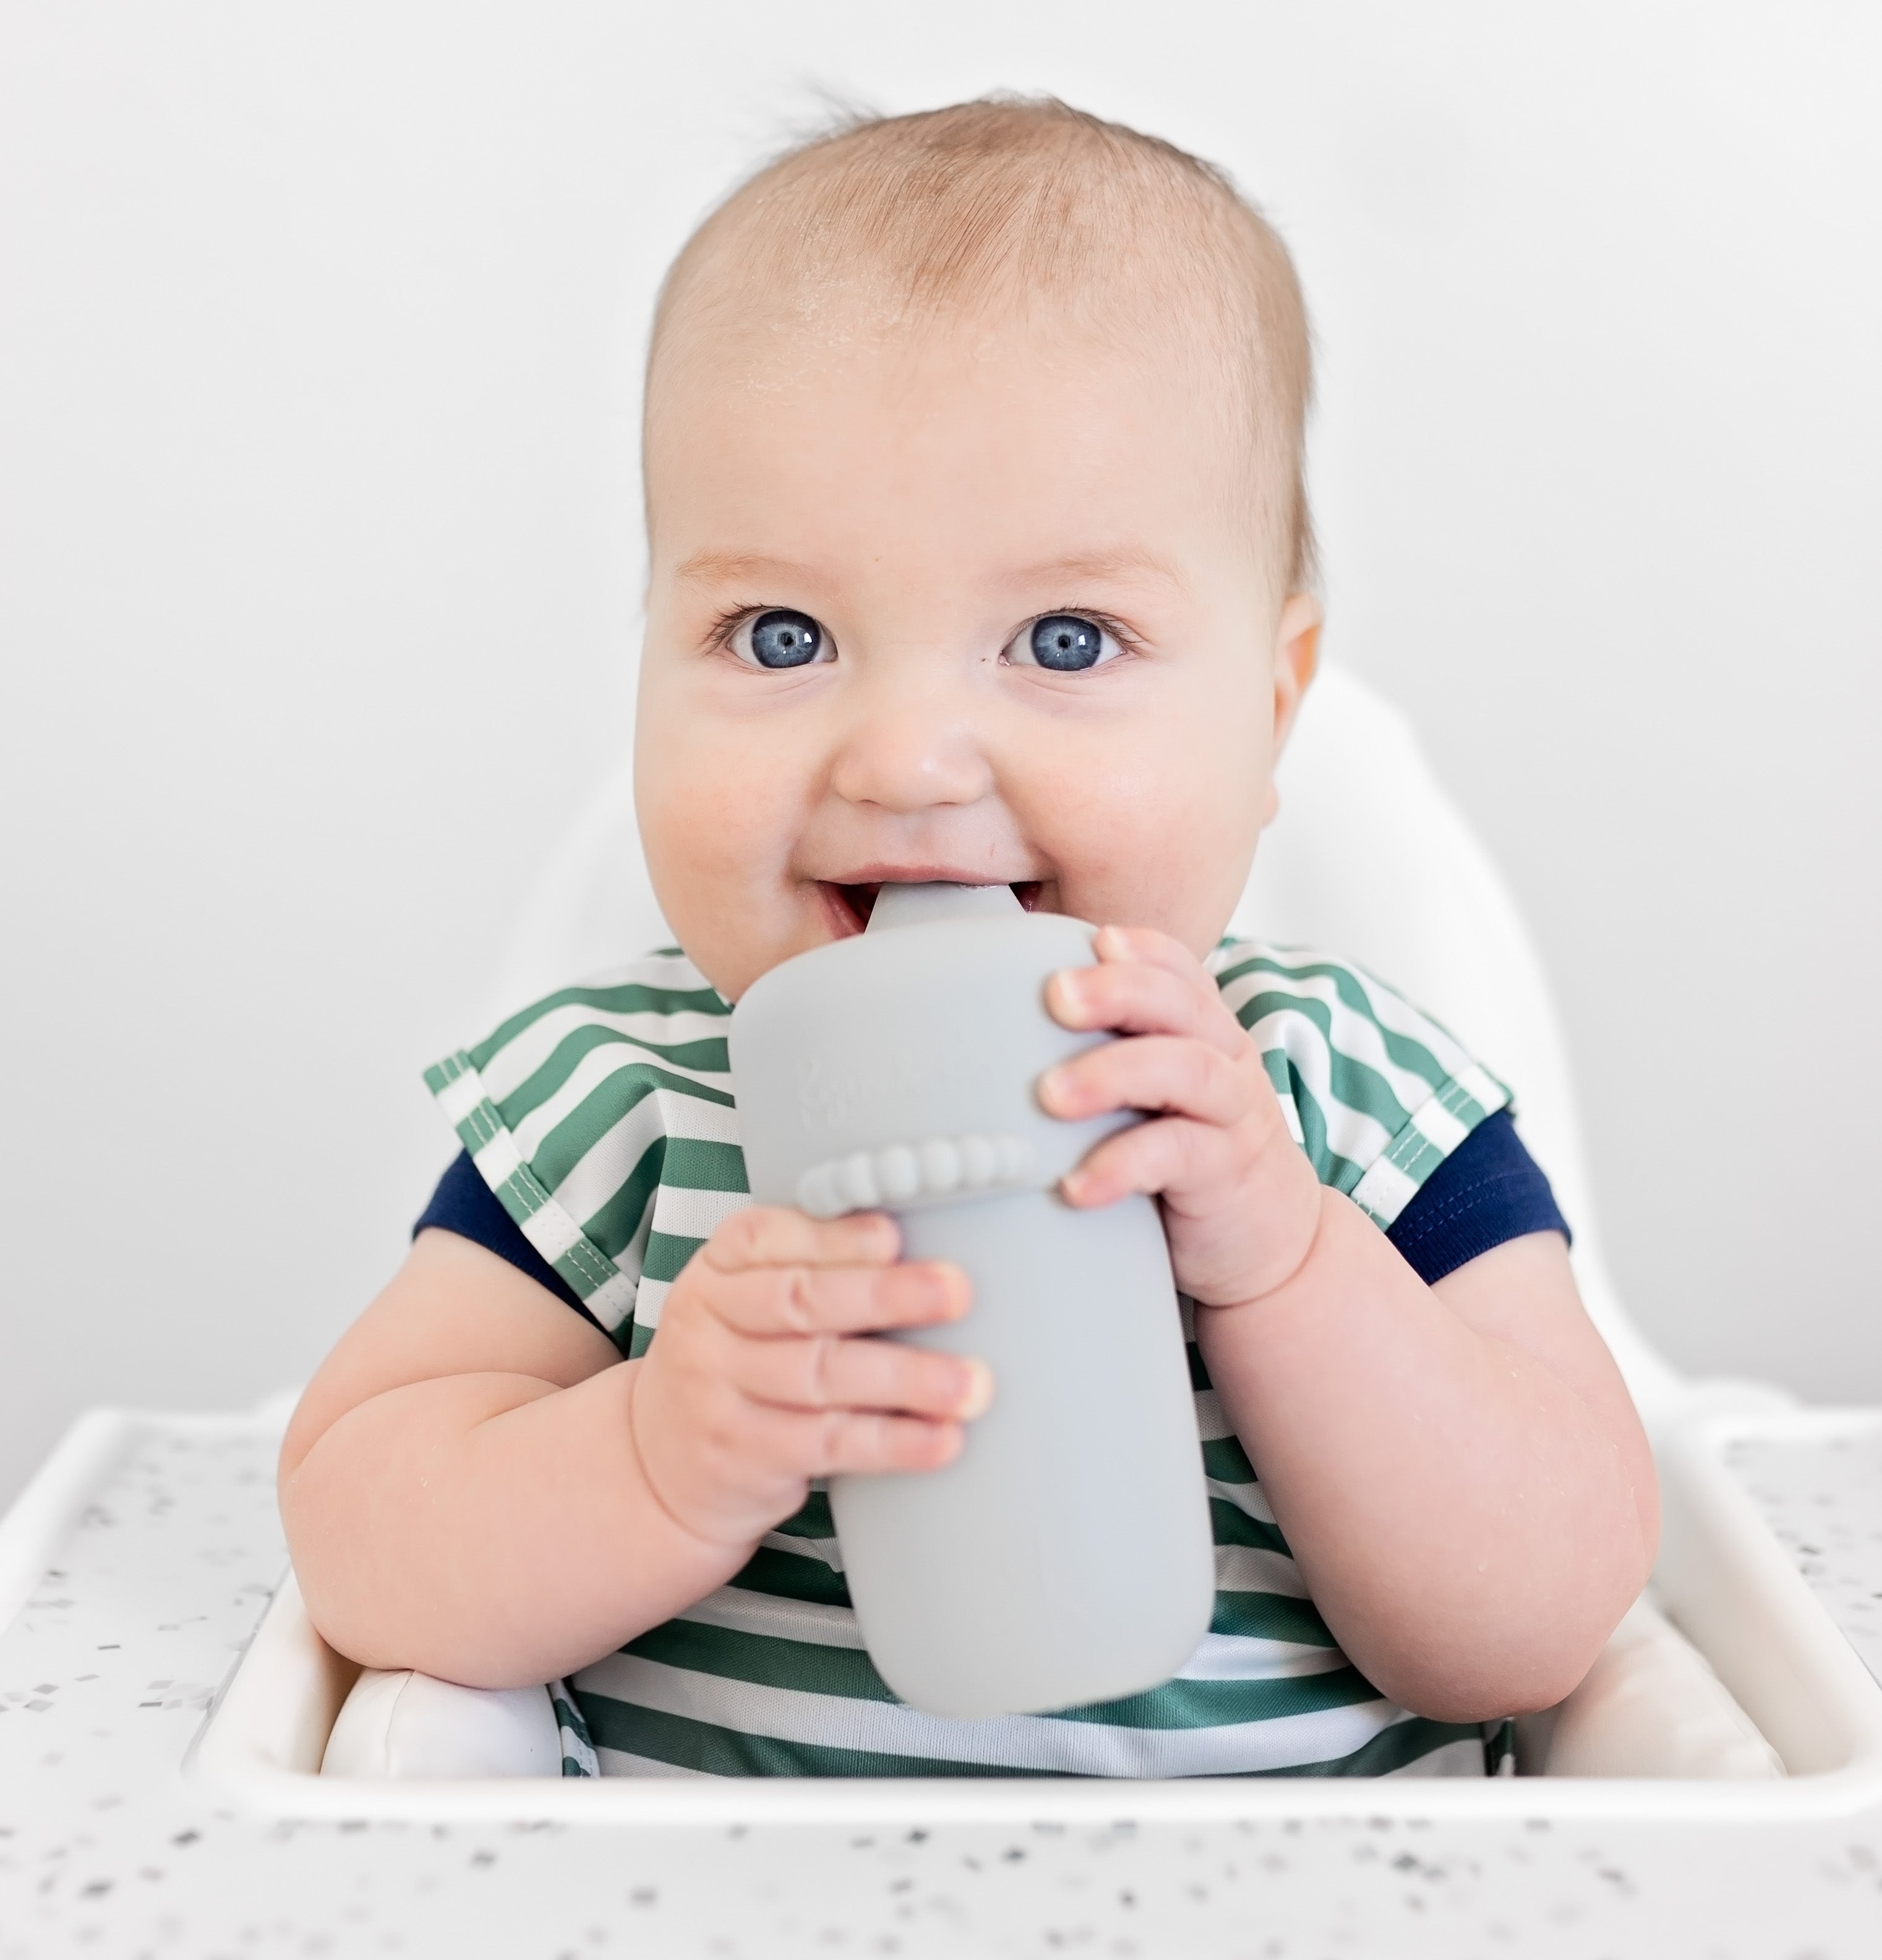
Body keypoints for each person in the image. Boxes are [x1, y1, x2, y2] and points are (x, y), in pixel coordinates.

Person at [278, 97, 1657, 1779]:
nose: (908, 761)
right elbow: (357, 1540)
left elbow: (1547, 1617)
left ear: (1269, 709)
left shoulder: (1339, 1096)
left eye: (1065, 638)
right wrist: (651, 1456)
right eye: (779, 634)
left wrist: (1289, 1263)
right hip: (719, 1892)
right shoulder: (617, 1099)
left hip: (1307, 1891)